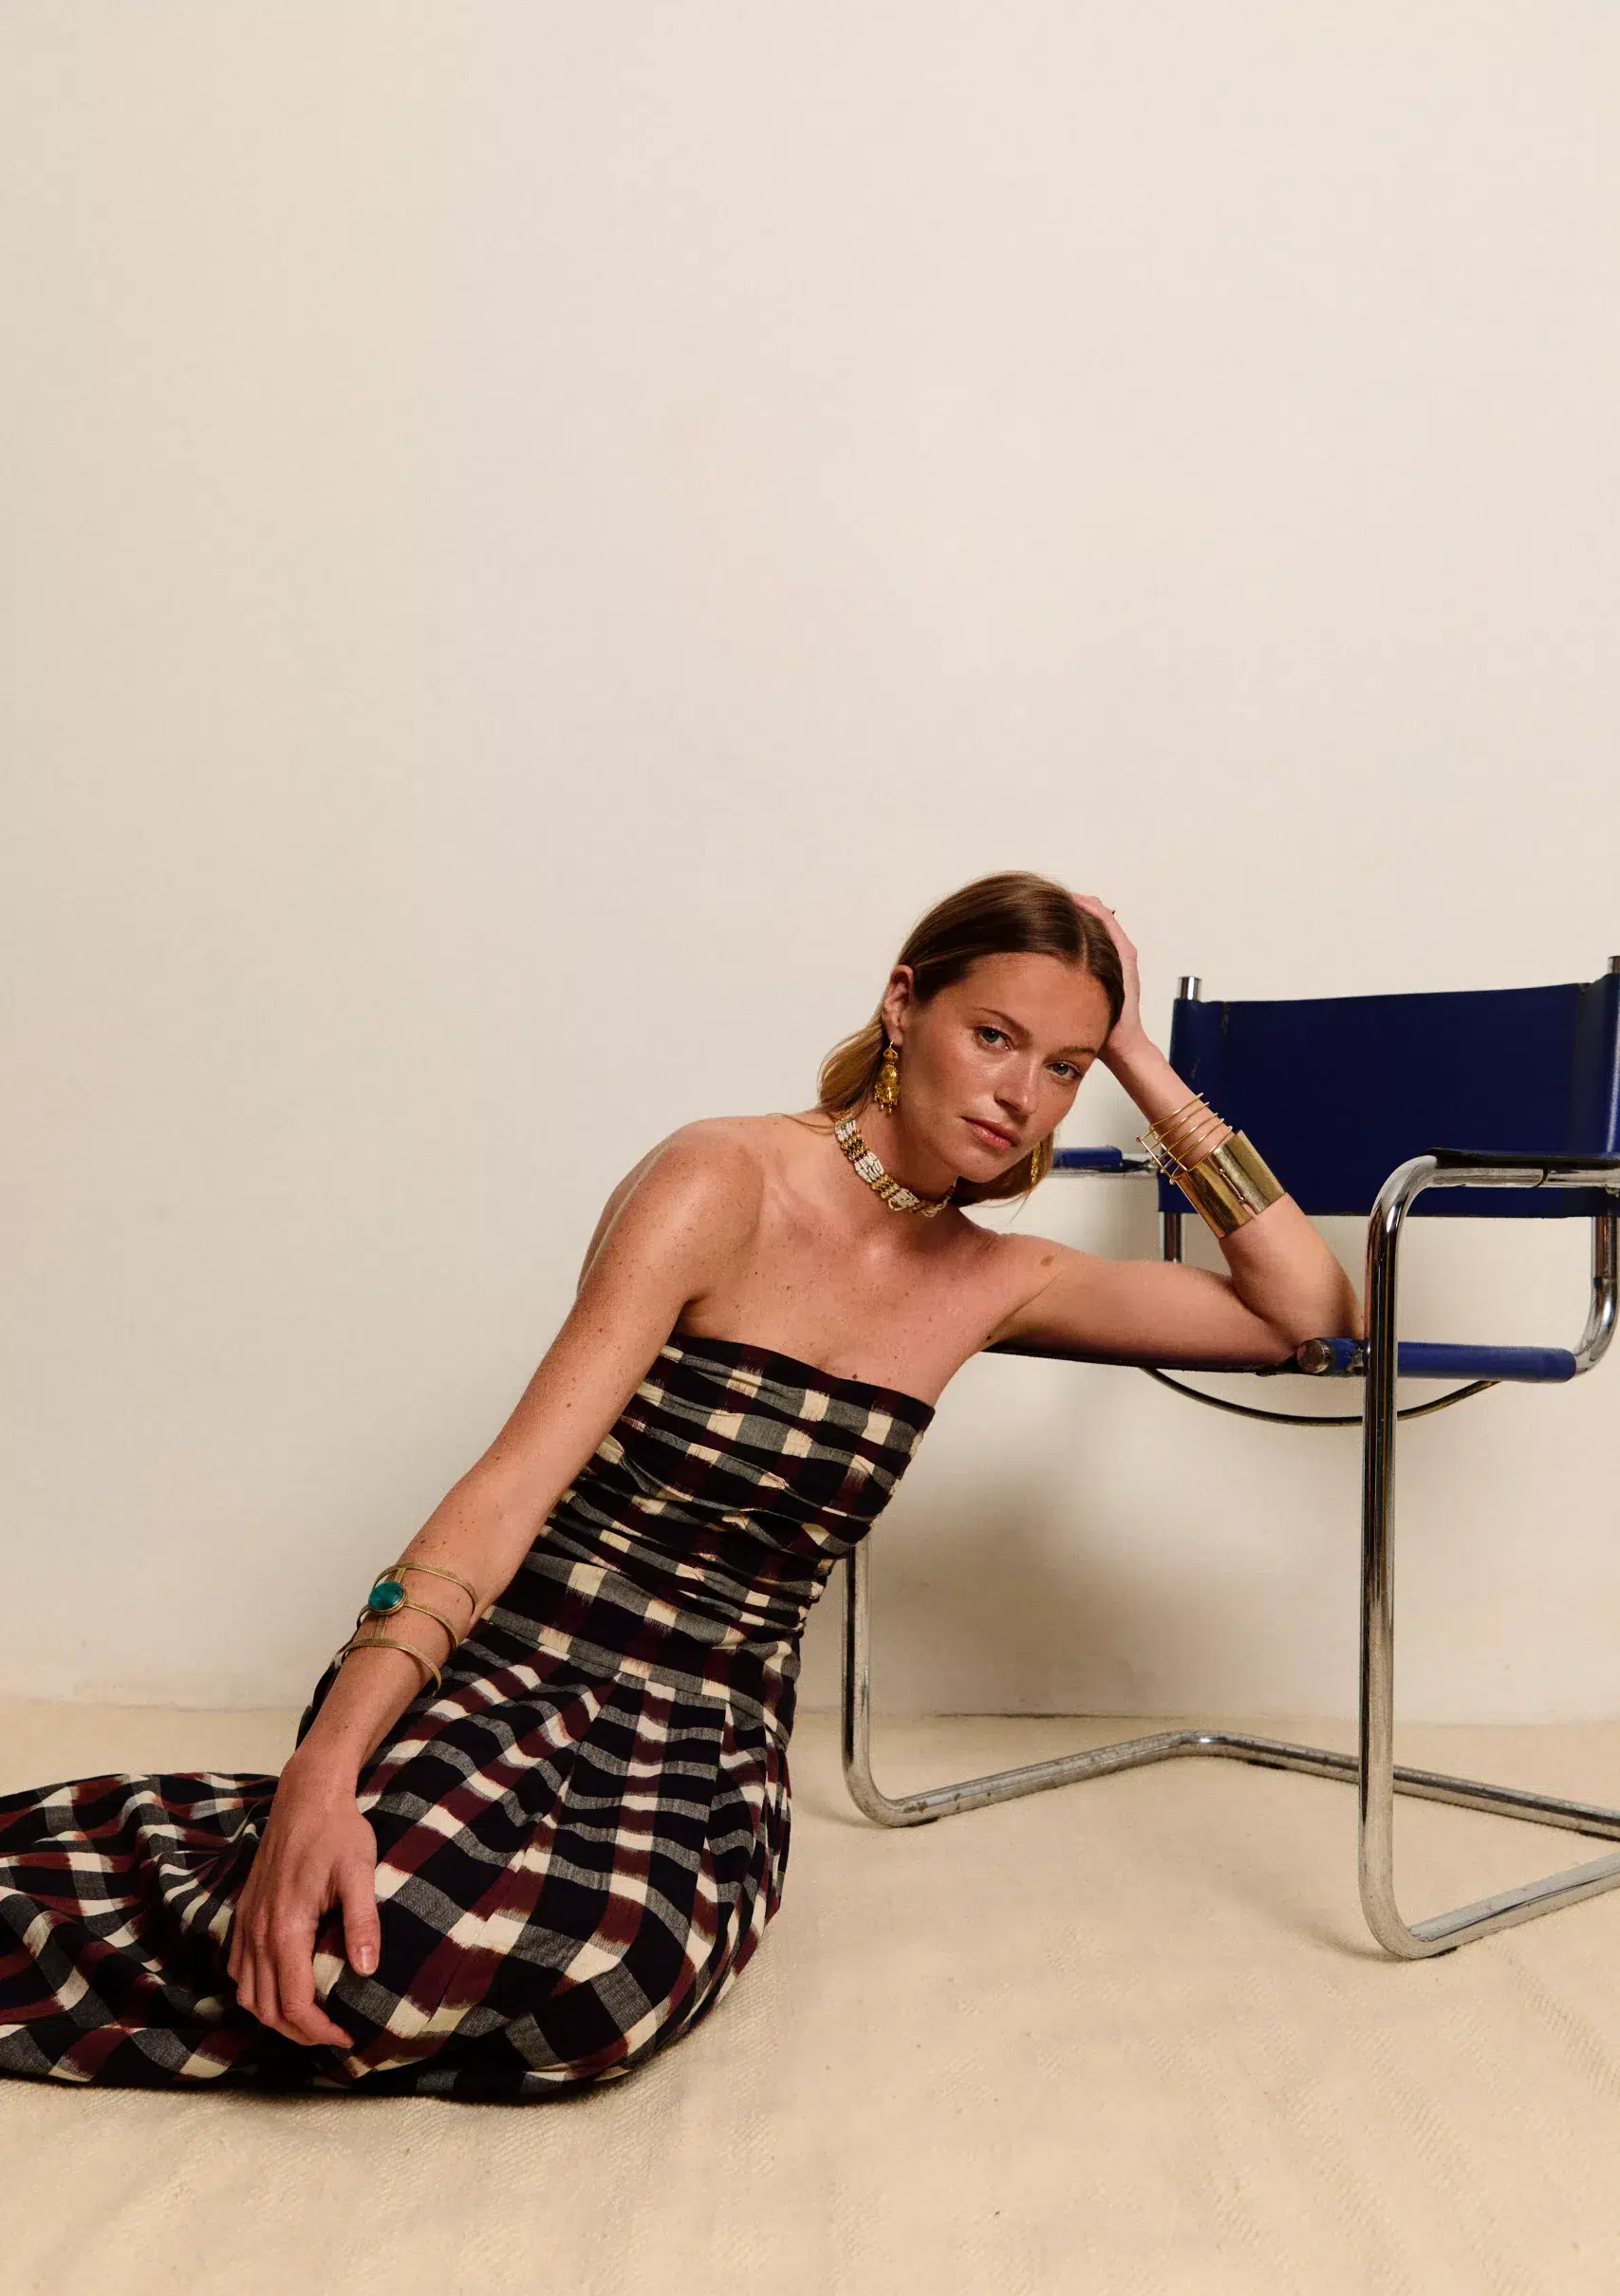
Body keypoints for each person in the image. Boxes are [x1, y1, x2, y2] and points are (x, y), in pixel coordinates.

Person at [0, 870, 1361, 2100]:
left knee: (601, 1993)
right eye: (994, 1036)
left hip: (707, 1733)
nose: (1022, 1095)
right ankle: (241, 1849)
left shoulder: (999, 1279)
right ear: (903, 1005)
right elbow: (507, 1491)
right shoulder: (720, 1180)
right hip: (522, 1659)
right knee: (368, 1951)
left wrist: (1138, 1056)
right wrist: (322, 1768)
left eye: (1061, 1069)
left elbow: (1304, 1313)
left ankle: (313, 1866)